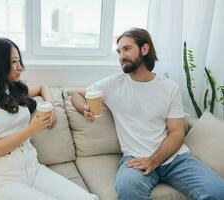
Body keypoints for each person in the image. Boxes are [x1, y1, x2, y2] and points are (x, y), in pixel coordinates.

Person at [71, 28, 224, 200]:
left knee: (217, 191)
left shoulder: (169, 88)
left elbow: (177, 132)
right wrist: (84, 109)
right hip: (135, 159)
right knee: (128, 189)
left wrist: (153, 160)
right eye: (119, 51)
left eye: (127, 49)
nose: (121, 56)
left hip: (175, 158)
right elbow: (77, 95)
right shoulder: (113, 84)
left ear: (144, 49)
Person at [0, 38, 99, 200]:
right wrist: (31, 130)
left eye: (19, 61)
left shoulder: (14, 90)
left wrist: (50, 106)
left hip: (34, 169)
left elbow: (43, 87)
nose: (20, 67)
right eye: (14, 62)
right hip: (4, 180)